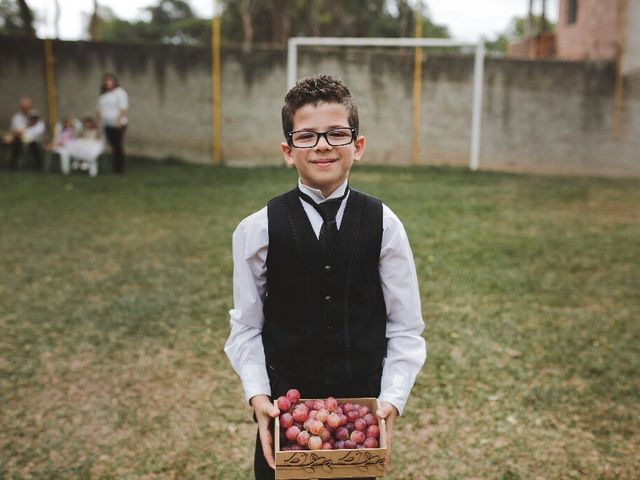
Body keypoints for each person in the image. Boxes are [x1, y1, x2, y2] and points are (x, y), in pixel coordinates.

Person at [224, 74, 427, 479]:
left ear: (358, 145)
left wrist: (391, 399)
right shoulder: (256, 229)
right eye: (307, 136)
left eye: (337, 133)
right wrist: (258, 395)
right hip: (288, 418)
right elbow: (246, 327)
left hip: (358, 424)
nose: (322, 145)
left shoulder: (385, 224)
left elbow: (405, 327)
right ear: (287, 150)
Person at [96, 73, 128, 174]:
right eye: (106, 82)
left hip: (118, 124)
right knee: (112, 145)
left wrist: (119, 121)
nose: (107, 84)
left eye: (109, 82)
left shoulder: (119, 92)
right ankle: (115, 165)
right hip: (107, 124)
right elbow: (99, 109)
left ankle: (119, 168)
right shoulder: (103, 95)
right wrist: (98, 120)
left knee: (117, 145)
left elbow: (123, 107)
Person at [8, 97, 45, 170]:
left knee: (34, 145)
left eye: (27, 107)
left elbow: (39, 128)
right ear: (20, 107)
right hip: (19, 138)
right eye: (23, 107)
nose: (25, 109)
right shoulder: (17, 117)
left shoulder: (34, 115)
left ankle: (39, 166)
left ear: (30, 106)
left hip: (33, 139)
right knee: (16, 144)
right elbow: (14, 130)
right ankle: (12, 166)